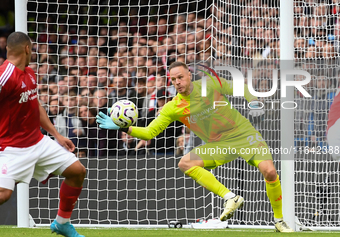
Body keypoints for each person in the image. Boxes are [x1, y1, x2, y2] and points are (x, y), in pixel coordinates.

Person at [96, 61, 293, 232]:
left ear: (189, 74)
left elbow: (241, 87)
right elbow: (149, 133)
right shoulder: (173, 107)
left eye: (180, 77)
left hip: (243, 134)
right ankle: (230, 197)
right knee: (185, 163)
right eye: (173, 80)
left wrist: (254, 102)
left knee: (269, 172)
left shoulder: (211, 84)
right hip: (218, 144)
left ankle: (279, 220)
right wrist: (125, 127)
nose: (177, 83)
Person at [0, 32, 86, 237]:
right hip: (12, 148)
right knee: (3, 194)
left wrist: (55, 133)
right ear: (27, 49)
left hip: (37, 142)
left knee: (77, 171)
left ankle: (62, 223)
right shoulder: (5, 76)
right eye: (33, 48)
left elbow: (35, 105)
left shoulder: (29, 73)